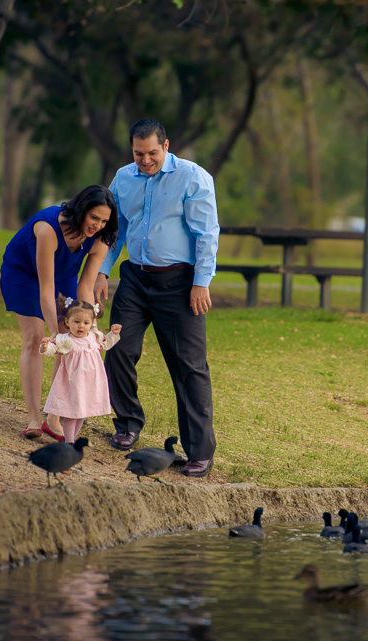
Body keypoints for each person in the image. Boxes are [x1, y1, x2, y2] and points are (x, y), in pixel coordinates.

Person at [94, 118, 218, 477]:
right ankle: (128, 423)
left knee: (189, 367)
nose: (145, 160)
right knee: (117, 348)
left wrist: (201, 281)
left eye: (151, 153)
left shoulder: (194, 177)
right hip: (136, 278)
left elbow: (206, 233)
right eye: (138, 153)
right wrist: (103, 269)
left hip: (181, 284)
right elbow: (116, 230)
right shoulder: (124, 177)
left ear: (166, 146)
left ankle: (198, 451)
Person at [0, 185, 118, 441]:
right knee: (35, 338)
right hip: (24, 274)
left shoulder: (101, 240)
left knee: (71, 340)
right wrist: (55, 333)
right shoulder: (48, 228)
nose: (98, 225)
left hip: (63, 276)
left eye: (104, 220)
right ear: (81, 210)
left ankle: (53, 417)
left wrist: (91, 329)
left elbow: (85, 287)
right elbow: (46, 288)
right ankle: (33, 417)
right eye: (94, 217)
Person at [40, 296, 122, 444]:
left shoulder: (94, 337)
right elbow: (52, 349)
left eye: (86, 323)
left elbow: (106, 344)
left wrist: (113, 334)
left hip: (90, 382)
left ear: (91, 324)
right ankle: (69, 442)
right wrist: (46, 347)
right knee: (72, 413)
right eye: (76, 322)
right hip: (73, 382)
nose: (81, 326)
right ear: (67, 321)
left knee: (82, 413)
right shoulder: (65, 339)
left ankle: (72, 440)